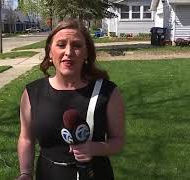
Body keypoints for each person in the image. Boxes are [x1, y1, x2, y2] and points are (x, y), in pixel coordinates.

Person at [17, 19, 125, 180]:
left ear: (86, 53)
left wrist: (94, 148)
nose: (68, 52)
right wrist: (26, 173)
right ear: (50, 52)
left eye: (77, 45)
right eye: (61, 45)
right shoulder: (32, 92)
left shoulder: (107, 92)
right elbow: (26, 139)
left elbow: (118, 141)